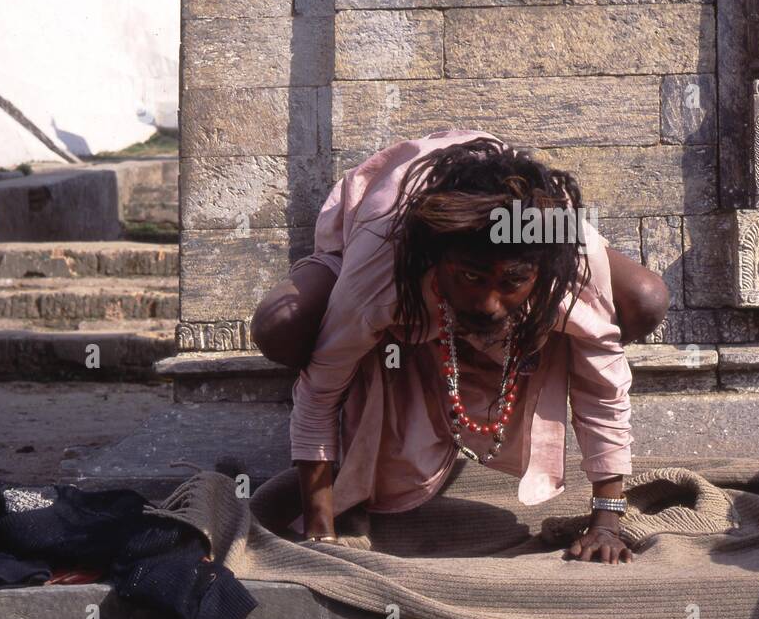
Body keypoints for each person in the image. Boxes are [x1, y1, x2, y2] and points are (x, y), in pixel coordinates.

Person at [251, 130, 670, 565]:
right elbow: (320, 393)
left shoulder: (565, 255)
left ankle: (497, 327)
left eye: (510, 284)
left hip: (522, 237)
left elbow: (602, 385)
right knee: (281, 325)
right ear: (437, 263)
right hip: (380, 242)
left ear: (540, 272)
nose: (490, 304)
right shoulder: (380, 262)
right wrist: (321, 532)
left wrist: (606, 521)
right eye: (471, 278)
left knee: (645, 298)